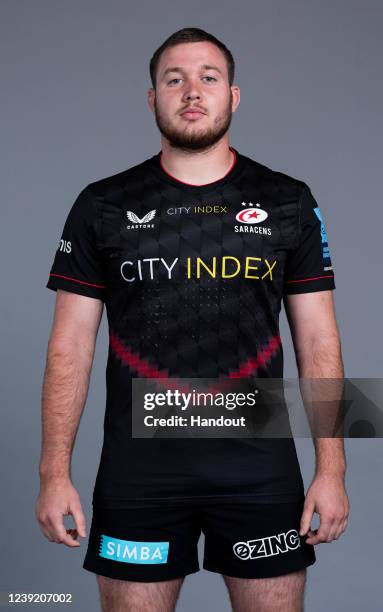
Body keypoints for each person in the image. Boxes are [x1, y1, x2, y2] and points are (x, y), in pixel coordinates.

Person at [36, 27, 349, 612]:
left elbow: (318, 341)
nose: (191, 91)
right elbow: (69, 348)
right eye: (173, 79)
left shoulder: (288, 199)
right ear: (152, 98)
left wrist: (333, 470)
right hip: (139, 474)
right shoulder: (102, 204)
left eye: (209, 77)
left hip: (260, 471)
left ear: (233, 96)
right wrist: (53, 474)